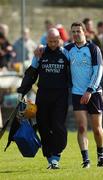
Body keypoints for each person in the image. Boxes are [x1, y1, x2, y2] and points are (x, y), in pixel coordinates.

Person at [34, 22, 103, 168]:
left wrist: (90, 90)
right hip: (77, 93)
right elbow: (54, 49)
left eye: (78, 31)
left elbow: (99, 72)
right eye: (73, 31)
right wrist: (41, 48)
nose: (75, 34)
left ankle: (100, 155)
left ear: (84, 32)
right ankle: (86, 160)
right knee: (81, 127)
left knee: (97, 129)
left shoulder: (93, 49)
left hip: (94, 93)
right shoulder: (68, 50)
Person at [17, 28, 69, 169]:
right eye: (50, 41)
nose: (52, 44)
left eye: (55, 41)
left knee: (58, 125)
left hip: (61, 95)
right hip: (43, 94)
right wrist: (22, 91)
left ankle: (57, 153)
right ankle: (51, 158)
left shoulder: (65, 53)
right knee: (43, 126)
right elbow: (31, 73)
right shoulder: (40, 53)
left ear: (59, 39)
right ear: (46, 40)